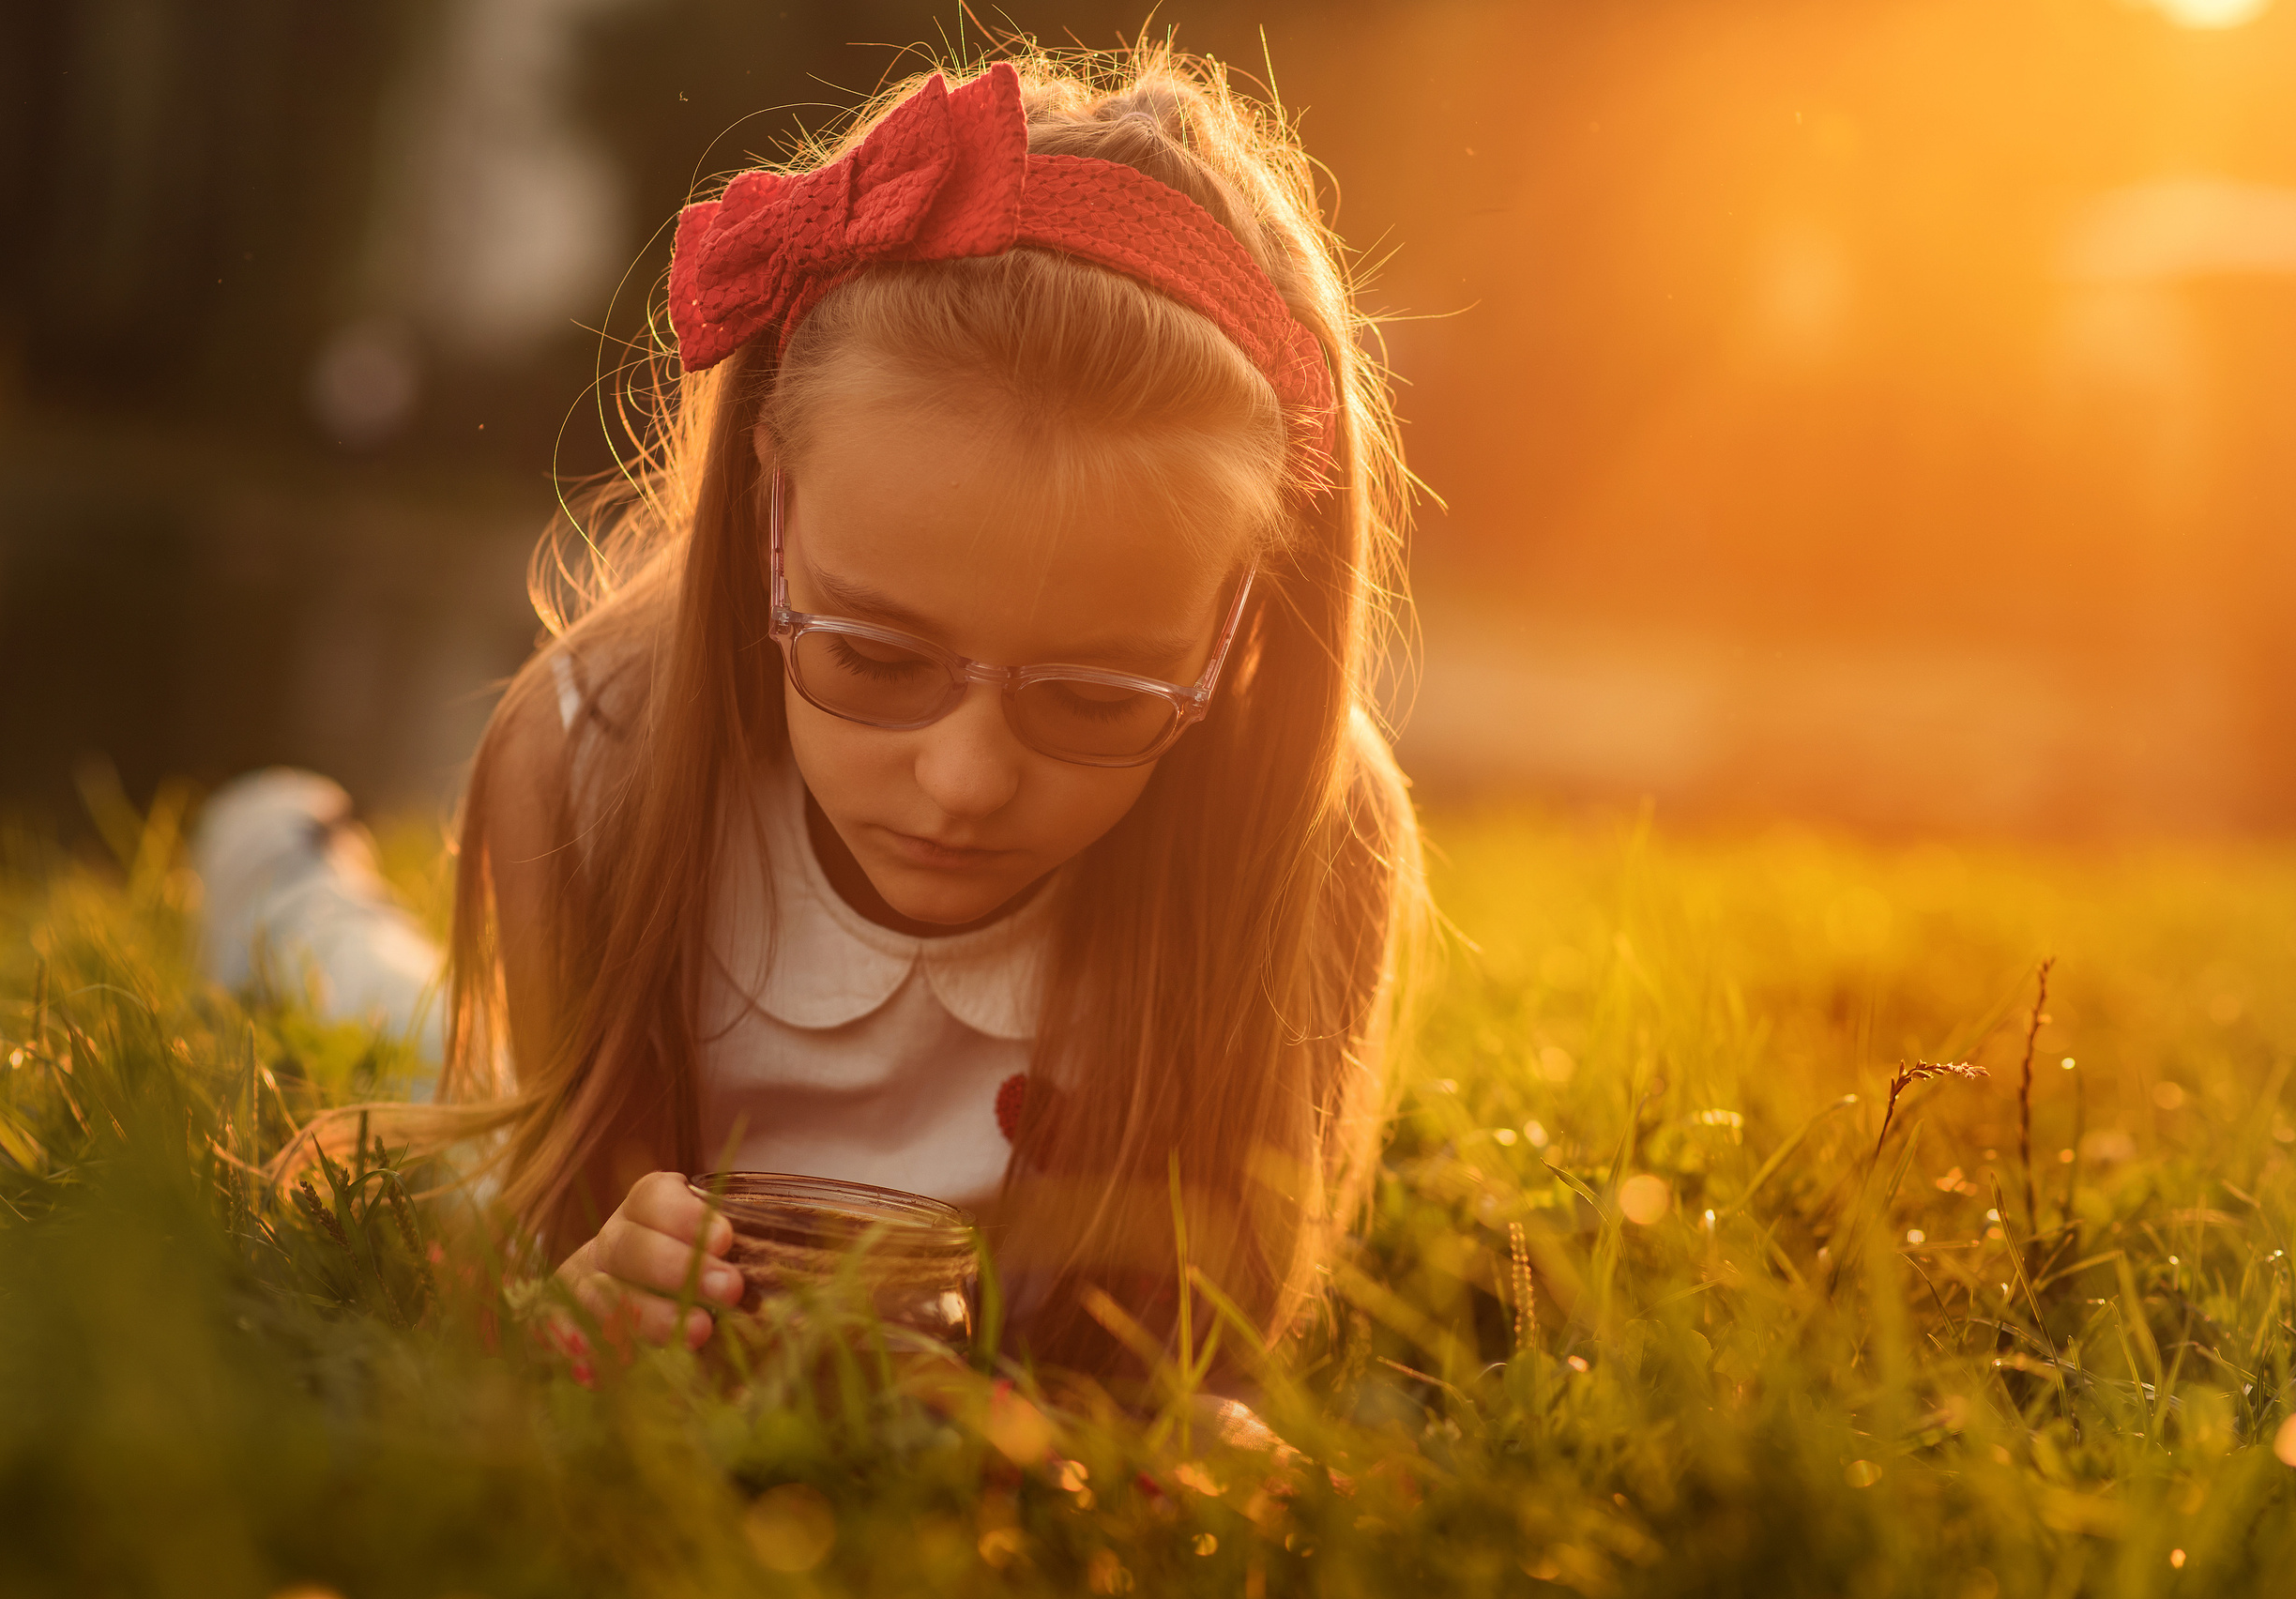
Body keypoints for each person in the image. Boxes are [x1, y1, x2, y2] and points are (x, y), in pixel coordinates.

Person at [212, 46, 1424, 1376]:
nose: (965, 780)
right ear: (770, 507)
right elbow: (537, 1212)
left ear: (1240, 624)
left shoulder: (1306, 840)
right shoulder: (587, 759)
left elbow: (1208, 1354)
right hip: (507, 1045)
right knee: (408, 1027)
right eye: (875, 656)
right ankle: (279, 882)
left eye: (1094, 696)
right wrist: (577, 1299)